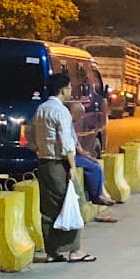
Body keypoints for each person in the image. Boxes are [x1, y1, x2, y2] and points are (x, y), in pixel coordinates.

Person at [27, 72, 95, 263]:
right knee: (74, 202)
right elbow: (66, 142)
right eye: (69, 88)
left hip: (44, 163)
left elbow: (29, 132)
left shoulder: (41, 109)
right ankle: (75, 250)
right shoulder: (61, 111)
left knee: (49, 208)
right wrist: (72, 167)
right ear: (64, 89)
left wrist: (37, 149)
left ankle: (52, 252)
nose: (70, 90)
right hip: (59, 164)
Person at [76, 151, 118, 219]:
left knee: (97, 165)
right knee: (95, 168)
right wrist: (88, 156)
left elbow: (78, 148)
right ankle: (96, 195)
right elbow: (75, 149)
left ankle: (101, 192)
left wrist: (88, 157)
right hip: (71, 157)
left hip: (76, 155)